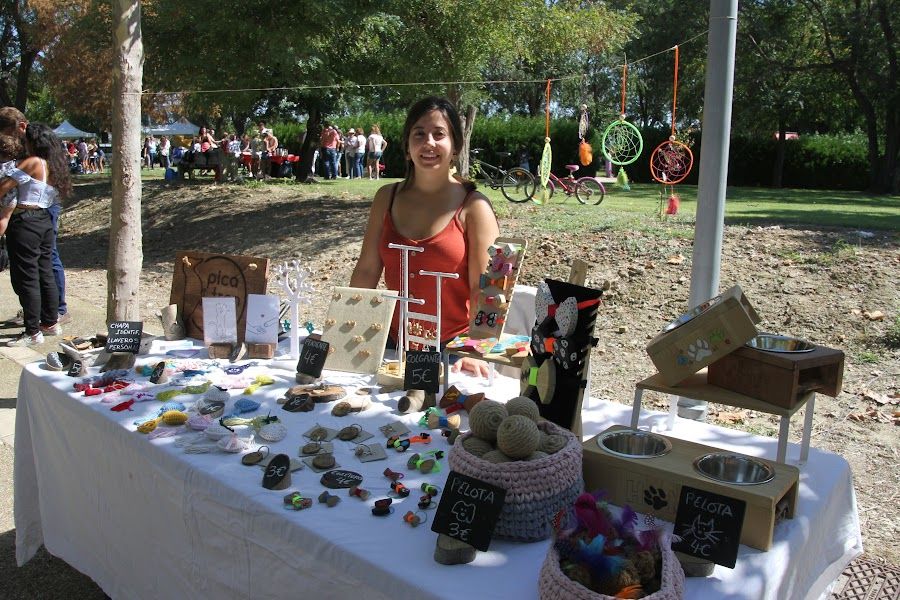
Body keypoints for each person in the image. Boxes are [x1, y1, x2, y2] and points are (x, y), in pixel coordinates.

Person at [350, 97, 498, 377]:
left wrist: (477, 349)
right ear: (407, 146)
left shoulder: (475, 207)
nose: (428, 142)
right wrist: (347, 330)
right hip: (390, 347)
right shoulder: (386, 198)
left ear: (455, 147)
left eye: (439, 134)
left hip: (452, 353)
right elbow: (367, 270)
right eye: (419, 134)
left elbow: (487, 290)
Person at [0, 123, 72, 346]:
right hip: (43, 221)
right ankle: (49, 322)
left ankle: (32, 331)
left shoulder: (33, 162)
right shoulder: (54, 164)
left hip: (26, 220)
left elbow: (4, 186)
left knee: (28, 277)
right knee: (45, 272)